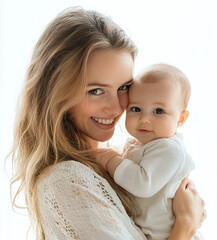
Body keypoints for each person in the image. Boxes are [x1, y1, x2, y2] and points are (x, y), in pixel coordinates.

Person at [10, 7, 206, 240]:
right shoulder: (68, 179)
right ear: (57, 93)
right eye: (95, 91)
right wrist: (185, 225)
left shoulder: (119, 161)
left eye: (123, 88)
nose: (116, 108)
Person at [94, 64, 204, 240]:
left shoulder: (170, 150)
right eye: (136, 109)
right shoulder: (141, 145)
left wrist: (110, 159)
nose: (145, 119)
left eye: (159, 111)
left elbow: (141, 183)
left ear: (181, 119)